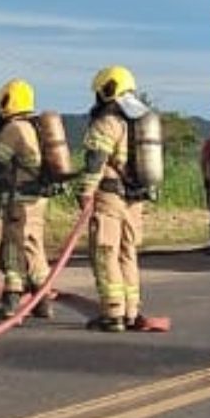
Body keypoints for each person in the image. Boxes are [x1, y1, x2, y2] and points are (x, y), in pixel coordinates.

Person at [77, 65, 151, 332]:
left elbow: (95, 161)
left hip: (109, 196)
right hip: (135, 199)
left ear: (107, 89)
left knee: (105, 252)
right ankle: (131, 312)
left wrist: (85, 193)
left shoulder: (107, 122)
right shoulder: (139, 120)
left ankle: (112, 313)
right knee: (127, 253)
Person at [0, 78, 52, 323]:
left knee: (12, 249)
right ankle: (42, 303)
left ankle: (11, 303)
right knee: (34, 247)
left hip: (18, 201)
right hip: (37, 200)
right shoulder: (35, 127)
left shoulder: (13, 128)